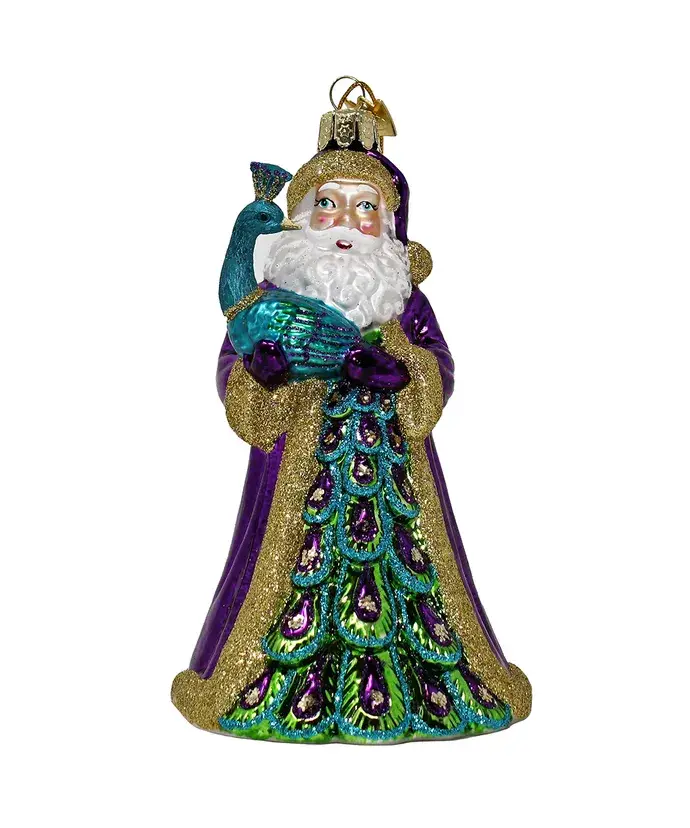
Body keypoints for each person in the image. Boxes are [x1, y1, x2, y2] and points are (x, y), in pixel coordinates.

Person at [172, 85, 531, 743]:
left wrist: (403, 370)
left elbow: (439, 362)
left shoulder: (401, 298)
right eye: (328, 204)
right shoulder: (272, 292)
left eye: (365, 207)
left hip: (395, 471)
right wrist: (262, 377)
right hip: (297, 463)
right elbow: (233, 362)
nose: (345, 220)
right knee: (275, 557)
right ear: (303, 216)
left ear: (387, 224)